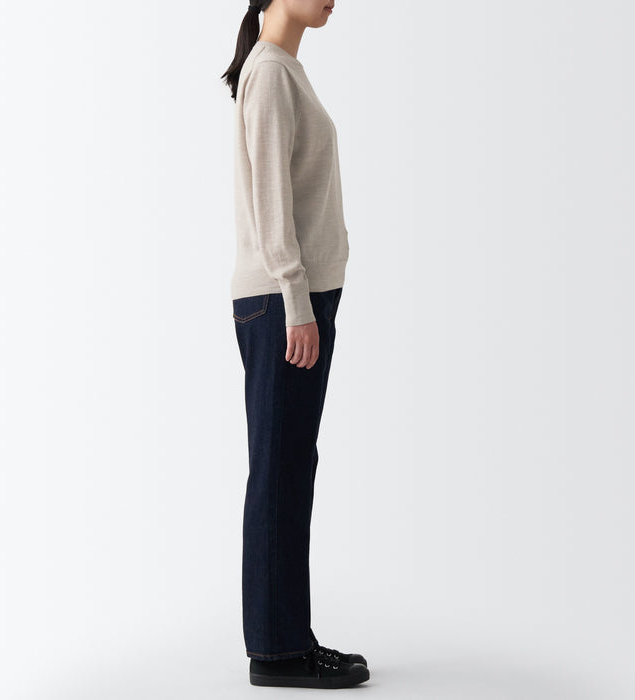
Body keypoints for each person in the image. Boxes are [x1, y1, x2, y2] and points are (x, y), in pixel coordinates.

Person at [221, 0, 369, 689]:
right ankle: (278, 652)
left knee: (287, 466)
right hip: (285, 302)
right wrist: (295, 299)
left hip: (295, 298)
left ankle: (284, 639)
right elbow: (272, 202)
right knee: (280, 470)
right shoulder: (271, 72)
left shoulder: (281, 69)